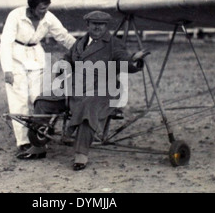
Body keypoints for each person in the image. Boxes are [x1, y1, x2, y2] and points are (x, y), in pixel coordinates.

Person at [32, 11, 149, 170]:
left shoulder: (113, 44)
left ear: (106, 26)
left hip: (104, 90)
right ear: (88, 25)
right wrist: (62, 65)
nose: (97, 27)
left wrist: (133, 60)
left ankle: (81, 154)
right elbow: (68, 58)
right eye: (94, 24)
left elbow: (123, 60)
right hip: (76, 87)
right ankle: (38, 145)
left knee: (88, 106)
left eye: (101, 24)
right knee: (43, 101)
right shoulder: (80, 43)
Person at [0, 0, 76, 159]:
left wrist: (83, 51)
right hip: (16, 58)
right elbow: (5, 43)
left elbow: (63, 36)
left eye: (46, 8)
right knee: (19, 101)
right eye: (41, 9)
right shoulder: (16, 16)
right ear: (32, 7)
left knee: (39, 99)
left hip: (35, 57)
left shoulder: (48, 17)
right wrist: (8, 70)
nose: (44, 12)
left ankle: (38, 139)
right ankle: (23, 142)